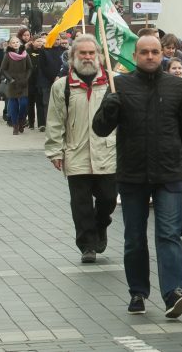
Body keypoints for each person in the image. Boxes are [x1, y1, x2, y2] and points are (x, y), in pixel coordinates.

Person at [92, 35, 182, 319]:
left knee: (168, 234)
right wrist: (109, 108)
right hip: (132, 174)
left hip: (170, 173)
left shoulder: (177, 86)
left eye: (155, 51)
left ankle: (174, 292)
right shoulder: (121, 86)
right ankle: (138, 291)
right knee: (134, 237)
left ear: (162, 55)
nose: (151, 56)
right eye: (145, 52)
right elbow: (100, 129)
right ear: (136, 55)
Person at [45, 34, 117, 264]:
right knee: (81, 204)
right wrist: (55, 150)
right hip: (75, 153)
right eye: (82, 53)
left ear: (99, 56)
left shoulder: (114, 83)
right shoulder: (62, 86)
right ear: (72, 57)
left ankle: (101, 224)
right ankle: (87, 245)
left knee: (107, 199)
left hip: (108, 153)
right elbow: (55, 120)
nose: (87, 57)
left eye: (91, 53)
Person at [1, 36, 32, 134]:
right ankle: (15, 125)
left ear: (20, 43)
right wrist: (10, 79)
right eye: (13, 42)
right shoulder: (8, 55)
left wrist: (26, 79)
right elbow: (3, 69)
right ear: (10, 44)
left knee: (24, 103)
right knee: (13, 104)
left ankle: (21, 120)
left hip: (23, 82)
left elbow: (30, 68)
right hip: (12, 83)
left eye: (17, 42)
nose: (15, 44)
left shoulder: (25, 54)